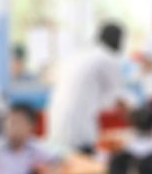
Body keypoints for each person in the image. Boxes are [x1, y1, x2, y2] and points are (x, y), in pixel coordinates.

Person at [47, 23, 128, 152]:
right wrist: (140, 121)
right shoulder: (107, 57)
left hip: (56, 127)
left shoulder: (80, 54)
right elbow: (119, 99)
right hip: (78, 131)